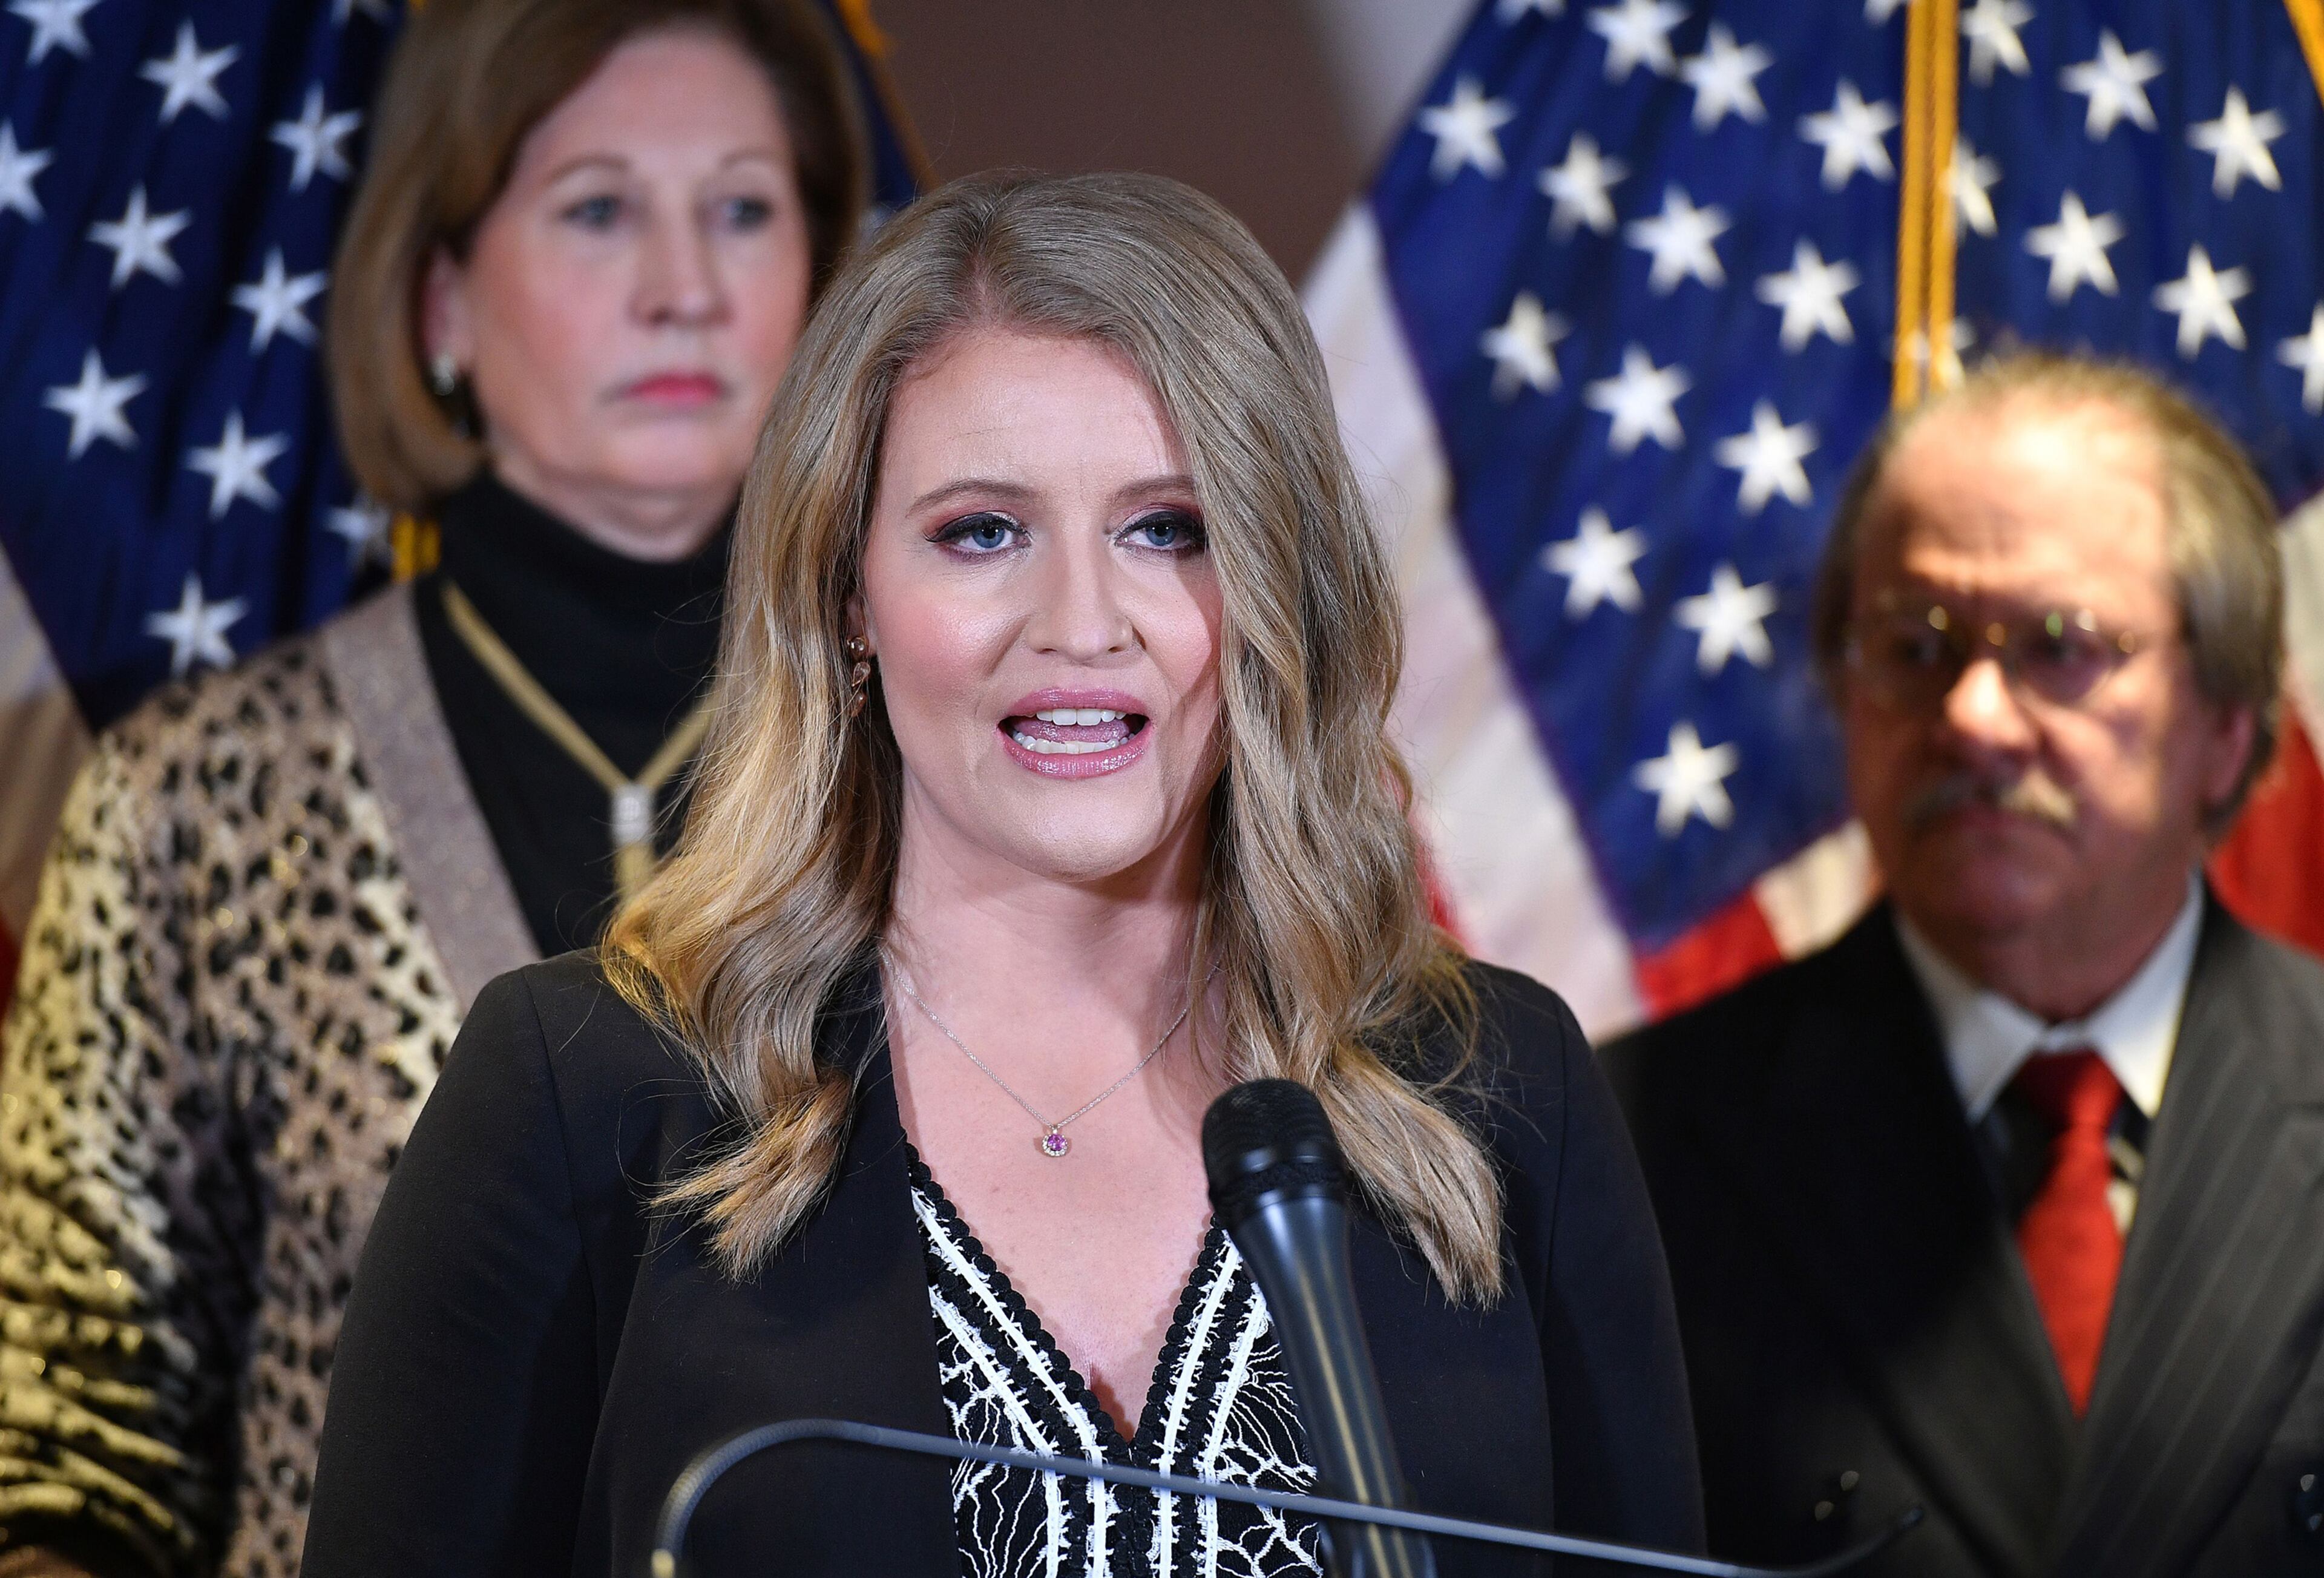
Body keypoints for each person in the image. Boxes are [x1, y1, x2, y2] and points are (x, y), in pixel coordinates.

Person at [296, 171, 1706, 1578]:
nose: (1082, 624)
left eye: (1169, 529)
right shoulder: (583, 1094)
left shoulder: (1498, 1091)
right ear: (847, 592)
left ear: (1276, 582)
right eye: (983, 531)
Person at [0, 2, 866, 1573]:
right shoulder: (198, 796)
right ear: (443, 300)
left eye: (743, 209)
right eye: (598, 209)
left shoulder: (940, 769)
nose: (685, 288)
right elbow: (64, 1450)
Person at [1605, 352, 2324, 1576]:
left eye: (2062, 644)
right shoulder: (1627, 1150)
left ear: (2227, 722)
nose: (1975, 716)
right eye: (1915, 643)